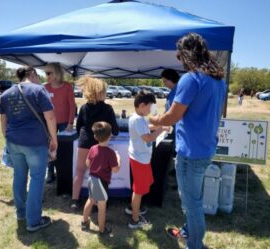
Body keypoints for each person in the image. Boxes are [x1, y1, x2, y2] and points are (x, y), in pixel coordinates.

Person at [150, 33, 227, 249]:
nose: (178, 58)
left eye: (179, 54)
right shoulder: (219, 81)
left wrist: (154, 120)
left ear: (186, 54)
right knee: (194, 198)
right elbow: (219, 114)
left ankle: (195, 244)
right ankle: (186, 231)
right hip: (206, 148)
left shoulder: (190, 79)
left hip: (191, 152)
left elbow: (172, 117)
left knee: (192, 203)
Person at [0, 66, 57, 232]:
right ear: (32, 74)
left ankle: (21, 213)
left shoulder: (6, 93)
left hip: (13, 141)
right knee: (37, 179)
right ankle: (34, 221)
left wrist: (7, 138)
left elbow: (3, 121)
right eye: (38, 75)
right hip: (35, 142)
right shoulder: (39, 90)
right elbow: (50, 117)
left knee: (19, 176)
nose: (39, 78)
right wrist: (54, 139)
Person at [71, 77, 119, 210]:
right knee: (99, 173)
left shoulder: (84, 108)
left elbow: (78, 126)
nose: (106, 93)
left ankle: (75, 200)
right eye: (104, 91)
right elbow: (115, 130)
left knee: (80, 170)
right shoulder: (108, 109)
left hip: (85, 141)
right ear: (99, 93)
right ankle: (99, 202)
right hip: (100, 144)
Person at [127, 91, 167, 229]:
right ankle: (135, 219)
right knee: (138, 190)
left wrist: (158, 127)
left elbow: (147, 128)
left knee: (140, 187)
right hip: (140, 159)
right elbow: (148, 138)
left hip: (141, 158)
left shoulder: (140, 117)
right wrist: (161, 130)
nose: (150, 110)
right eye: (149, 107)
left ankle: (134, 209)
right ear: (142, 105)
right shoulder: (137, 119)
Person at [81, 121, 120, 235]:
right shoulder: (111, 153)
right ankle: (102, 230)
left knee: (91, 200)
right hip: (101, 183)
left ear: (95, 136)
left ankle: (84, 222)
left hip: (91, 179)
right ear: (110, 135)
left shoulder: (93, 148)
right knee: (102, 208)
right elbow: (116, 169)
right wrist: (118, 158)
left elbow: (87, 163)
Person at [44, 62, 76, 183]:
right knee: (50, 147)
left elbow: (72, 106)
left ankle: (62, 172)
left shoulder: (67, 86)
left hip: (64, 124)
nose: (46, 75)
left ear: (56, 73)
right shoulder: (45, 87)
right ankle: (50, 172)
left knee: (63, 149)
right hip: (49, 124)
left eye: (48, 73)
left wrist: (70, 123)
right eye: (45, 73)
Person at [161, 68, 180, 155]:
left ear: (171, 79)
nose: (164, 84)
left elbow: (173, 113)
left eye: (165, 81)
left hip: (179, 131)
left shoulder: (179, 92)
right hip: (173, 129)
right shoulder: (173, 92)